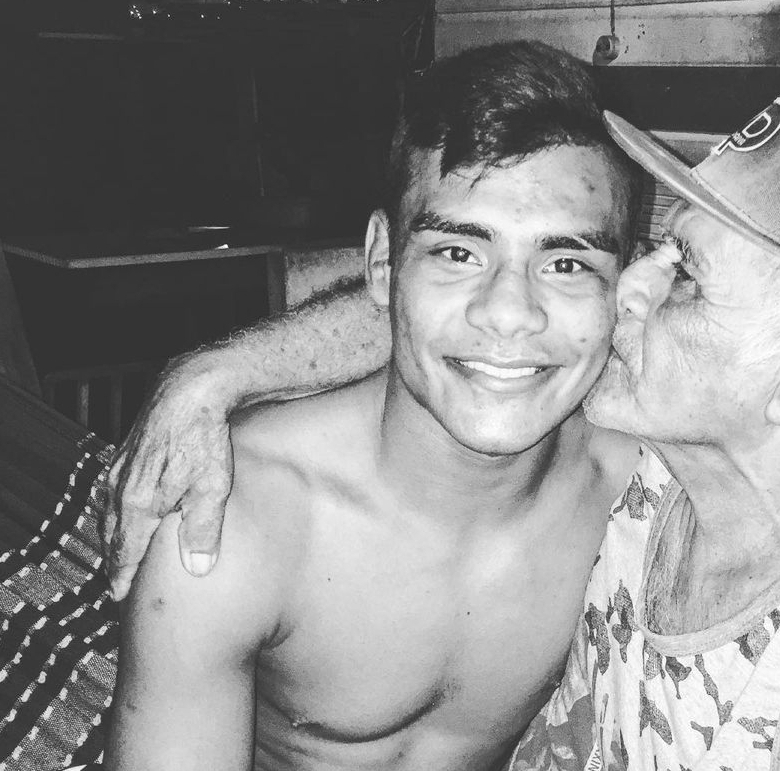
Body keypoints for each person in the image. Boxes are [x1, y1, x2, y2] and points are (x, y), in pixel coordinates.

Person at [108, 71, 780, 769]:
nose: (626, 292)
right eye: (650, 253)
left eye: (682, 276)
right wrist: (215, 372)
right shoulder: (673, 460)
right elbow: (473, 305)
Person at [105, 40, 645, 771]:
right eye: (458, 253)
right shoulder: (236, 521)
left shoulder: (638, 495)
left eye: (567, 262)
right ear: (382, 262)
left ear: (626, 288)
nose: (508, 313)